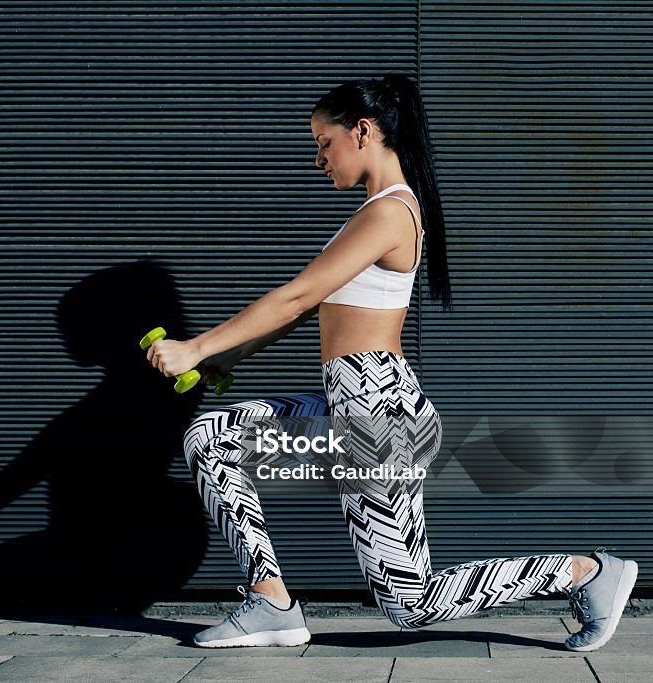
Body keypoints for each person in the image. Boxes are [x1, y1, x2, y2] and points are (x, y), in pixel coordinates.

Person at [145, 74, 638, 651]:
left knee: (411, 605)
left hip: (379, 413)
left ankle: (589, 572)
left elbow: (297, 295)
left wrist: (195, 347)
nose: (319, 159)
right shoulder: (371, 213)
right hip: (346, 404)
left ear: (363, 131)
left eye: (324, 143)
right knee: (212, 436)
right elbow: (312, 312)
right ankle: (271, 602)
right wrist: (226, 358)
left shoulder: (391, 213)